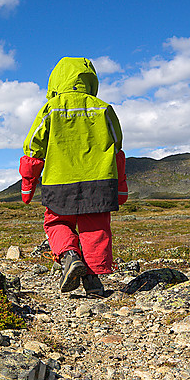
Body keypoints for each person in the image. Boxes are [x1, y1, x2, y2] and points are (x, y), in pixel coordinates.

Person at [19, 57, 128, 297]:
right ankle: (93, 280)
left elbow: (32, 149)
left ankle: (70, 256)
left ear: (56, 81)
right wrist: (120, 189)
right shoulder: (104, 109)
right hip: (99, 182)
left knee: (57, 223)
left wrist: (28, 187)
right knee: (95, 228)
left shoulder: (51, 109)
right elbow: (117, 149)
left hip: (59, 182)